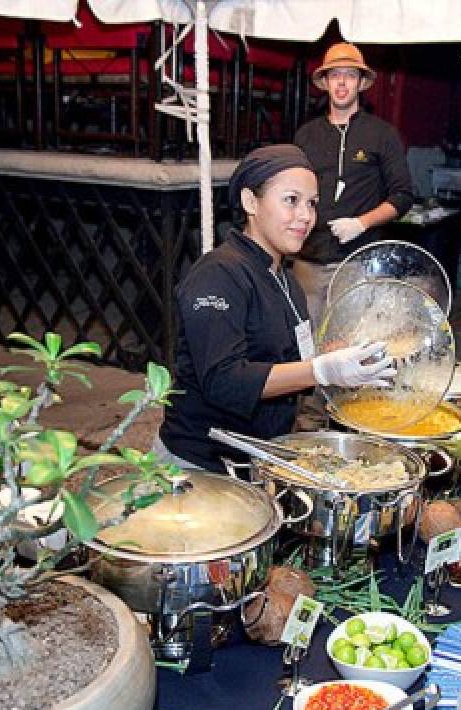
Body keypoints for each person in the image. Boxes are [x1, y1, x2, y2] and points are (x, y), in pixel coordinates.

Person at [155, 144, 395, 472]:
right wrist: (321, 369)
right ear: (250, 201)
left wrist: (343, 357)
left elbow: (287, 359)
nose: (306, 216)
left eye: (312, 203)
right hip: (198, 465)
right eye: (291, 200)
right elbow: (224, 381)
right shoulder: (219, 273)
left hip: (257, 457)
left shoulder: (284, 277)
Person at [292, 42, 414, 326]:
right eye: (335, 75)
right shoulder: (307, 135)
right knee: (305, 344)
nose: (342, 82)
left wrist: (362, 223)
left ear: (361, 83)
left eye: (350, 74)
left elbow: (403, 195)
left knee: (349, 347)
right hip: (308, 261)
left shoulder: (382, 135)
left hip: (358, 263)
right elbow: (293, 192)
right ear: (326, 83)